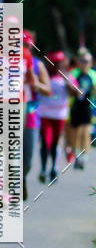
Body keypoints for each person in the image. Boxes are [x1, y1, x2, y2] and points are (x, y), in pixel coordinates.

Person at [38, 52, 78, 183]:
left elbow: (77, 94)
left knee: (56, 142)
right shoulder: (44, 75)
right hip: (44, 114)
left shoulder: (68, 76)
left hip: (60, 115)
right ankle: (44, 169)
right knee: (46, 141)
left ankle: (53, 169)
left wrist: (68, 82)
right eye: (54, 63)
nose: (57, 66)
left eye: (60, 63)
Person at [22, 31, 50, 200]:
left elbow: (48, 89)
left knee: (28, 159)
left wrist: (35, 84)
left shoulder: (38, 65)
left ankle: (21, 177)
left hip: (31, 113)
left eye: (26, 46)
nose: (23, 49)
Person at [70, 49, 96, 169]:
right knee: (75, 133)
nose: (84, 63)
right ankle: (76, 155)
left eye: (86, 61)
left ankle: (84, 157)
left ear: (91, 62)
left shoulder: (93, 75)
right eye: (82, 61)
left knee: (85, 132)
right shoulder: (74, 73)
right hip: (75, 107)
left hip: (87, 107)